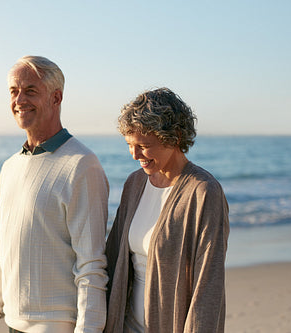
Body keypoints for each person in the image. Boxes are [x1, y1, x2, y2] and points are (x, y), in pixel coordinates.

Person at [0, 56, 109, 333]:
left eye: (31, 91)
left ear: (56, 98)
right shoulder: (10, 167)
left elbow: (92, 265)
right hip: (13, 322)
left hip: (56, 325)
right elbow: (3, 251)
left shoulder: (82, 164)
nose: (19, 99)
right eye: (14, 91)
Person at [105, 88, 229, 333]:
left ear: (175, 137)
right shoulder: (134, 184)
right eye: (130, 145)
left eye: (143, 145)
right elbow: (112, 258)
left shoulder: (204, 192)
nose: (134, 155)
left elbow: (208, 287)